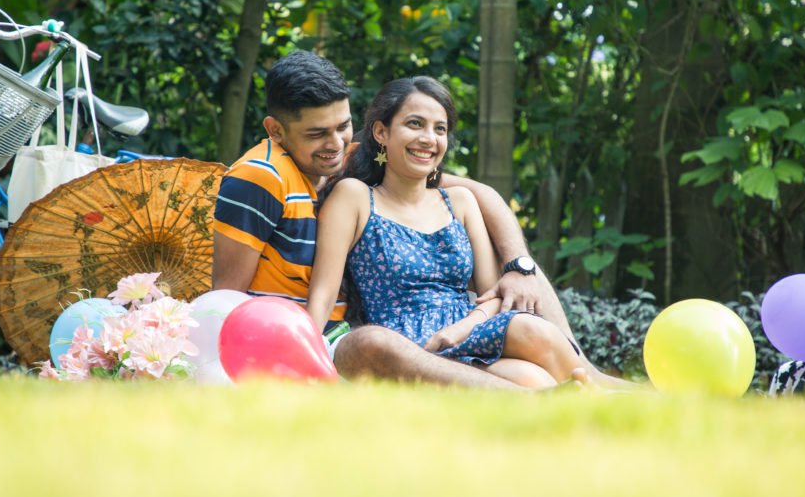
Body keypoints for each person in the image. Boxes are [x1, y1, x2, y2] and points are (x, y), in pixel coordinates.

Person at [212, 51, 580, 389]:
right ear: (276, 130)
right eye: (317, 133)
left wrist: (518, 265)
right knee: (377, 342)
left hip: (449, 329)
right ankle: (550, 398)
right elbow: (226, 299)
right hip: (315, 335)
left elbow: (479, 193)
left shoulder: (357, 158)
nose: (337, 143)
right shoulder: (261, 177)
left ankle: (589, 380)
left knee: (525, 304)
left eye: (343, 126)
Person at [304, 75, 637, 390]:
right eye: (414, 124)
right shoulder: (355, 196)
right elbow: (323, 294)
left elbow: (493, 296)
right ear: (381, 132)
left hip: (470, 332)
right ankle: (612, 400)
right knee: (533, 381)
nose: (428, 139)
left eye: (440, 129)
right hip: (408, 343)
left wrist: (461, 328)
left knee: (532, 339)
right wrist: (305, 361)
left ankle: (607, 394)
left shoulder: (460, 202)